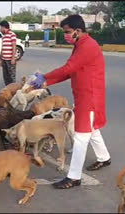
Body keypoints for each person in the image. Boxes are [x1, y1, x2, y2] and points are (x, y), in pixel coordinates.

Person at [32, 15, 111, 189]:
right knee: (92, 130)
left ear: (78, 30)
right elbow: (70, 72)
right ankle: (104, 158)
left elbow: (69, 68)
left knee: (81, 136)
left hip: (89, 97)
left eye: (67, 32)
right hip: (85, 95)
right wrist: (47, 82)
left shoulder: (88, 46)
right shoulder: (80, 45)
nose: (66, 35)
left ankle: (74, 177)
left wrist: (45, 76)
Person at [0, 20, 17, 86]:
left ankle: (13, 91)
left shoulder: (12, 35)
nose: (0, 29)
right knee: (5, 77)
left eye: (0, 27)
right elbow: (2, 48)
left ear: (4, 27)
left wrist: (13, 58)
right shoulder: (3, 36)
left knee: (11, 77)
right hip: (4, 60)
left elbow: (14, 46)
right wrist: (1, 60)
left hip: (10, 60)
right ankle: (7, 89)